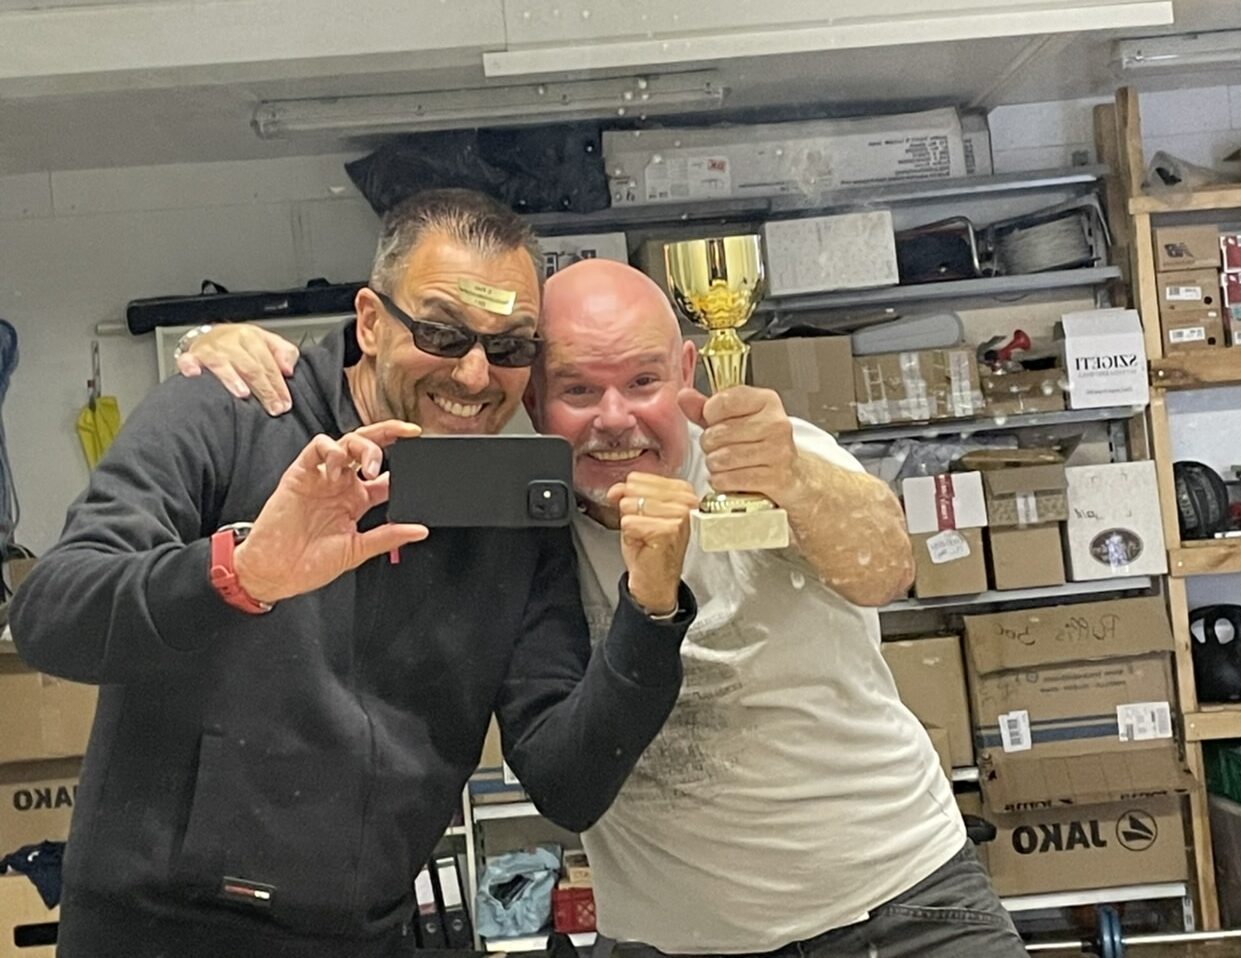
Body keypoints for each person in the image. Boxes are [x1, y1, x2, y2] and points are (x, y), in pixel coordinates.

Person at [191, 257, 1029, 957]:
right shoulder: (520, 515)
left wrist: (796, 480)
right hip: (672, 941)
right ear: (531, 401)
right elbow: (368, 415)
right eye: (579, 390)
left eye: (642, 381)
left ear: (688, 371)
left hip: (901, 907)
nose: (615, 419)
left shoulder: (763, 458)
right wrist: (225, 349)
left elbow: (887, 569)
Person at [9, 190, 700, 958]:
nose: (475, 374)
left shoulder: (512, 509)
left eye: (508, 347)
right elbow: (50, 617)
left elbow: (568, 783)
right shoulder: (230, 414)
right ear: (371, 321)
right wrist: (239, 573)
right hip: (158, 933)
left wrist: (651, 612)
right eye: (441, 334)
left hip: (365, 933)